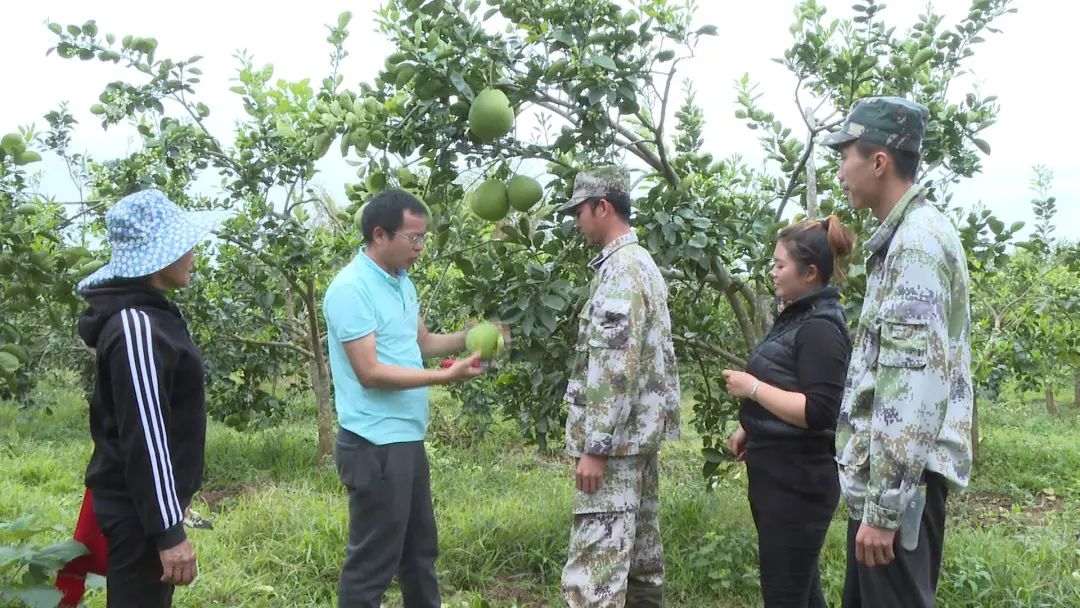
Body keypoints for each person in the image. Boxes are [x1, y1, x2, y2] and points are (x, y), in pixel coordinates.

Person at [820, 96, 974, 607]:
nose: (840, 170)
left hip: (901, 491)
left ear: (879, 161)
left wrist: (884, 511)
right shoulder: (907, 237)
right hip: (892, 484)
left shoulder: (916, 246)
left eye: (847, 156)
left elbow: (911, 390)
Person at [323, 189, 495, 608]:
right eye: (413, 238)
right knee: (372, 566)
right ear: (380, 234)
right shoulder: (351, 289)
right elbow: (370, 373)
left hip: (405, 439)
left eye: (423, 239)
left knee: (419, 555)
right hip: (373, 443)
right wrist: (444, 379)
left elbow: (421, 341)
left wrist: (475, 337)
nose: (419, 247)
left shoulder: (402, 281)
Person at [76, 189, 228, 607]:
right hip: (139, 513)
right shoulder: (137, 327)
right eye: (186, 245)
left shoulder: (147, 316)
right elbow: (145, 434)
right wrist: (168, 533)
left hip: (144, 506)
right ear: (159, 256)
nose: (194, 253)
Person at [554, 167, 681, 608]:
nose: (577, 222)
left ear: (602, 207)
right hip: (635, 443)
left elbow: (614, 366)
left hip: (616, 448)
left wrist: (595, 447)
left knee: (595, 574)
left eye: (580, 212)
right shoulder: (639, 263)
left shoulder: (622, 271)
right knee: (641, 563)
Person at [721, 216, 856, 607]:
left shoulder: (820, 327)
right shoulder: (797, 316)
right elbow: (790, 384)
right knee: (801, 593)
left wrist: (753, 389)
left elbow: (819, 412)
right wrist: (753, 427)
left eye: (781, 265)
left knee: (785, 596)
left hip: (798, 486)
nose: (773, 272)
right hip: (780, 477)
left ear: (810, 272)